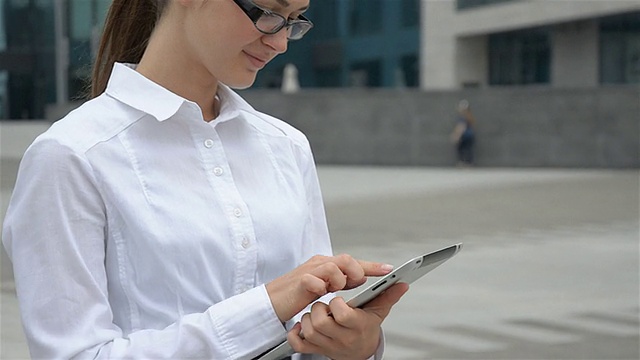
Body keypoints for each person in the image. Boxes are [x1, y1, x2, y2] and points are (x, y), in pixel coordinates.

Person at [1, 0, 409, 359]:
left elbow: (309, 324)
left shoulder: (286, 146)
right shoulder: (72, 156)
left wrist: (352, 346)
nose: (281, 42)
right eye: (268, 13)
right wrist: (265, 308)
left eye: (294, 20)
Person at [450, 99, 477, 166]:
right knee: (468, 149)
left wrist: (456, 136)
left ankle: (463, 162)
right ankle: (469, 162)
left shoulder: (463, 117)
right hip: (470, 135)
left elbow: (461, 127)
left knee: (462, 149)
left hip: (464, 136)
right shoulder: (470, 116)